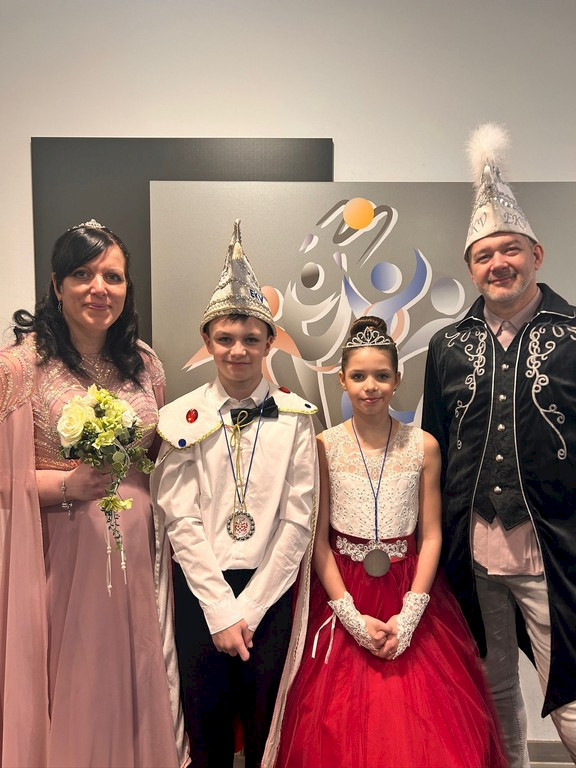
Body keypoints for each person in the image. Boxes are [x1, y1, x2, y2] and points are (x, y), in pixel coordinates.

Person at [262, 315, 506, 768]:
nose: (370, 387)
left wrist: (410, 614)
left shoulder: (423, 446)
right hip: (343, 590)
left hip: (409, 587)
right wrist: (350, 616)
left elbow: (431, 534)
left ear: (397, 380)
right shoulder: (323, 446)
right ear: (341, 380)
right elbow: (318, 542)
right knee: (336, 722)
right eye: (358, 376)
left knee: (424, 725)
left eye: (381, 376)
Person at [0, 219, 187, 768]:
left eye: (113, 276)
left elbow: (156, 459)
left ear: (128, 288)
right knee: (78, 683)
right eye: (82, 274)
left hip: (140, 557)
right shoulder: (19, 366)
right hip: (62, 558)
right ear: (56, 285)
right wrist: (67, 485)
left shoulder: (144, 363)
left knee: (136, 677)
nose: (98, 288)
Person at [422, 123, 576, 768]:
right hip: (473, 550)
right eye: (484, 256)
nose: (498, 264)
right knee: (491, 688)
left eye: (510, 250)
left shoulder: (574, 337)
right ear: (471, 268)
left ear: (536, 254)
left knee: (571, 697)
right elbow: (433, 446)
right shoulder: (447, 346)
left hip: (555, 551)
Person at [152, 220, 318, 768]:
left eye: (251, 339)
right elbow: (180, 520)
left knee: (270, 731)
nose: (238, 351)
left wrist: (249, 607)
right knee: (207, 733)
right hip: (202, 592)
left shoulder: (297, 418)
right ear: (207, 343)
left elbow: (298, 521)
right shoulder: (179, 418)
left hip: (270, 595)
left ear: (270, 342)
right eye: (225, 339)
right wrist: (221, 609)